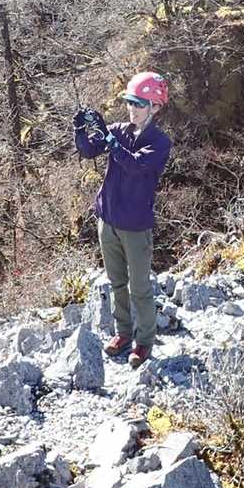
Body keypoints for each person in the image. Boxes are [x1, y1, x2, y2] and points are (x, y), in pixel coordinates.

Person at [72, 71, 172, 368]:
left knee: (139, 287)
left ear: (155, 107)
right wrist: (81, 129)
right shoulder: (119, 130)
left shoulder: (160, 142)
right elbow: (89, 150)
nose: (132, 109)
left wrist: (110, 139)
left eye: (139, 104)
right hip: (108, 219)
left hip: (136, 225)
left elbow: (135, 165)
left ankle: (144, 341)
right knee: (116, 282)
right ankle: (123, 333)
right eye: (130, 102)